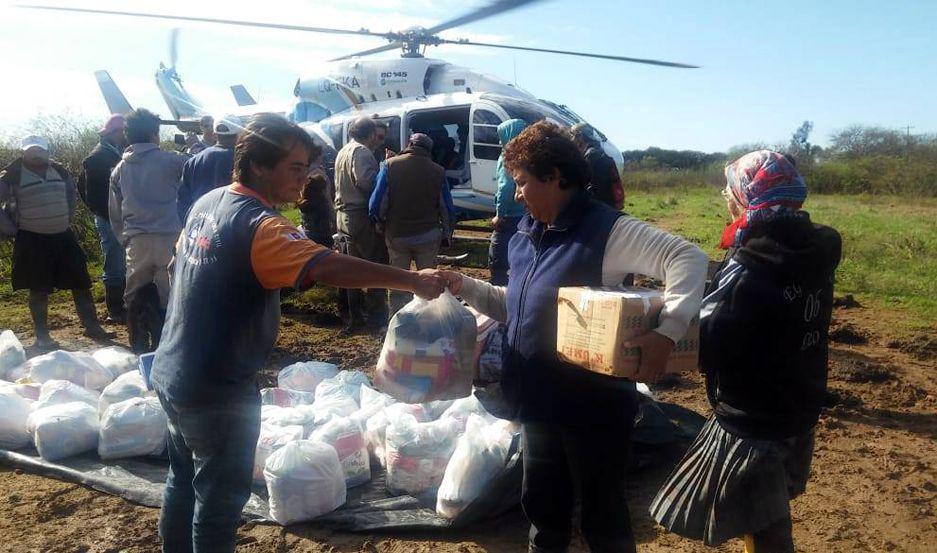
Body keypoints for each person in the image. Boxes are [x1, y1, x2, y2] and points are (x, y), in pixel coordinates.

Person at [150, 113, 445, 553]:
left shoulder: (207, 203)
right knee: (219, 501)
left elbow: (179, 268)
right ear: (257, 166)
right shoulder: (261, 226)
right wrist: (413, 280)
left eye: (306, 166)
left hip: (171, 371)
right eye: (294, 167)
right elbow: (326, 264)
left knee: (182, 480)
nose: (305, 177)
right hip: (218, 389)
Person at [432, 121, 708, 553]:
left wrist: (668, 333)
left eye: (522, 182)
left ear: (556, 177)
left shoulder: (606, 230)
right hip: (538, 401)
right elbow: (516, 305)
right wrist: (461, 284)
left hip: (593, 406)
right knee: (543, 509)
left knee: (603, 516)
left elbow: (687, 257)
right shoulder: (526, 235)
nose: (517, 193)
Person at [650, 151, 842, 553]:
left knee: (763, 520)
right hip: (798, 403)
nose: (725, 196)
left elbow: (714, 338)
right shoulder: (813, 254)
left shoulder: (751, 262)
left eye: (729, 188)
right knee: (769, 509)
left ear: (746, 197)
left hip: (752, 414)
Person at [0, 136, 115, 347]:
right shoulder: (11, 176)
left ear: (46, 151)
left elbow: (71, 195)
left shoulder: (59, 171)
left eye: (39, 150)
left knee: (81, 283)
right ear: (23, 152)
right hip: (32, 239)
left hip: (63, 236)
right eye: (31, 151)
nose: (36, 154)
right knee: (38, 288)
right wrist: (10, 228)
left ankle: (93, 327)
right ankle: (42, 337)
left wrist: (68, 217)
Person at [109, 108, 185, 317]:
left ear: (128, 135)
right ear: (154, 134)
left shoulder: (120, 169)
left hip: (137, 239)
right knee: (169, 292)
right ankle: (165, 339)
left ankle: (138, 337)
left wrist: (123, 238)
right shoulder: (174, 161)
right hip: (170, 236)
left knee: (135, 291)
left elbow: (114, 211)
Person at [369, 133, 456, 314]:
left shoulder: (390, 166)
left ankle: (398, 321)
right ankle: (428, 321)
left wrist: (379, 224)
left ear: (409, 144)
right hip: (428, 236)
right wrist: (447, 234)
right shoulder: (438, 171)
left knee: (398, 282)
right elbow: (447, 208)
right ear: (429, 150)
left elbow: (377, 203)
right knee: (430, 284)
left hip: (397, 235)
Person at [334, 116, 388, 331]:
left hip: (343, 216)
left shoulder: (343, 151)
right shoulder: (362, 152)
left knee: (350, 271)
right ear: (371, 134)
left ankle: (354, 318)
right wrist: (384, 173)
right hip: (359, 216)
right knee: (375, 266)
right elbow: (365, 181)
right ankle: (376, 318)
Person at [79, 114, 128, 323]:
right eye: (123, 131)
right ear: (115, 133)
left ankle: (124, 305)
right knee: (115, 262)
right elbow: (89, 193)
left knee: (124, 261)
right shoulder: (97, 158)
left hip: (123, 217)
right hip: (109, 219)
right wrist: (107, 214)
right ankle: (115, 310)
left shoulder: (120, 152)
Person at [177, 115, 241, 222]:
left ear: (215, 135)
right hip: (232, 226)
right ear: (239, 135)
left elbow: (182, 200)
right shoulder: (243, 160)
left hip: (199, 227)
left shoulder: (193, 161)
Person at [488, 118, 528, 285]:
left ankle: (498, 294)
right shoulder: (528, 155)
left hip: (509, 215)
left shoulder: (507, 157)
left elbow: (505, 188)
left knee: (497, 255)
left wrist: (499, 214)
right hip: (525, 213)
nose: (499, 140)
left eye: (501, 135)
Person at [570, 122, 624, 210]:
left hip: (599, 206)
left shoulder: (591, 155)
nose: (571, 140)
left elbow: (589, 183)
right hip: (607, 205)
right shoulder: (599, 151)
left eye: (572, 136)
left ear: (580, 137)